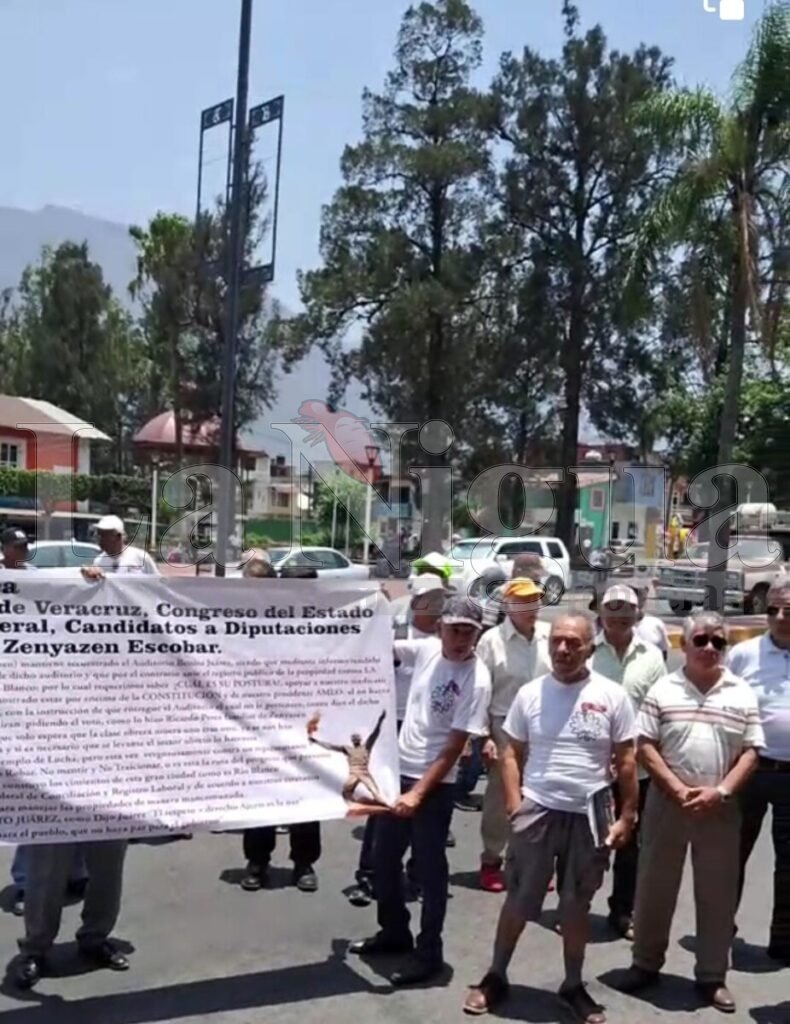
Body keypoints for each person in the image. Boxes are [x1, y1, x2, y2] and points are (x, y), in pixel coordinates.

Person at [464, 614, 637, 1022]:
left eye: (573, 643)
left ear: (589, 650)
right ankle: (496, 976)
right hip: (538, 810)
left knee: (576, 906)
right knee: (520, 900)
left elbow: (627, 760)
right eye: (557, 641)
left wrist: (627, 815)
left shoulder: (612, 696)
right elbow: (510, 753)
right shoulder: (530, 694)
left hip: (589, 816)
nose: (563, 650)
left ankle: (573, 985)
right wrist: (513, 805)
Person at [618, 612, 764, 1013]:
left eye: (719, 642)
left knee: (717, 893)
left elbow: (752, 751)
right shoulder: (663, 689)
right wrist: (679, 789)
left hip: (720, 806)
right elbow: (644, 744)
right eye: (702, 640)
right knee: (654, 887)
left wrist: (720, 791)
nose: (710, 648)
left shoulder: (741, 692)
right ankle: (645, 965)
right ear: (684, 644)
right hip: (669, 802)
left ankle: (712, 976)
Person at [350, 597, 490, 986]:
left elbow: (454, 747)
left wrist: (418, 794)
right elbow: (381, 648)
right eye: (455, 628)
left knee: (429, 870)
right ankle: (394, 932)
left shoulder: (477, 679)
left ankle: (429, 953)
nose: (462, 638)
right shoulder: (427, 650)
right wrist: (362, 614)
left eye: (470, 631)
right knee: (383, 859)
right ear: (440, 627)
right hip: (397, 773)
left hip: (434, 783)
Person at [350, 584, 445, 907]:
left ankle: (416, 877)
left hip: (426, 730)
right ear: (418, 603)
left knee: (423, 809)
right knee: (382, 804)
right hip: (388, 726)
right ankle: (368, 876)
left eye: (443, 600)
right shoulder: (396, 632)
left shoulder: (444, 643)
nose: (439, 606)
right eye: (434, 600)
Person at [238, 554, 325, 894]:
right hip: (261, 720)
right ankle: (257, 861)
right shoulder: (256, 620)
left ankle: (304, 862)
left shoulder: (325, 623)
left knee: (306, 792)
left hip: (305, 723)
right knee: (262, 793)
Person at [591, 585, 665, 938]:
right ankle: (573, 905)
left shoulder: (652, 656)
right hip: (590, 766)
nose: (619, 618)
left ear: (638, 615)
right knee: (584, 843)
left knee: (631, 844)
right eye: (612, 610)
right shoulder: (586, 652)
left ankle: (623, 911)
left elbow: (658, 710)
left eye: (626, 612)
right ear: (601, 614)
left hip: (637, 768)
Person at [475, 577, 551, 892]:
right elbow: (479, 691)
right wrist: (484, 736)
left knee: (542, 794)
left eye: (534, 600)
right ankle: (492, 859)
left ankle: (535, 862)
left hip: (545, 723)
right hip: (503, 724)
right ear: (508, 605)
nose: (530, 607)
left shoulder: (549, 635)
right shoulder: (491, 641)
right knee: (499, 796)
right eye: (522, 601)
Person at [728, 581, 790, 964]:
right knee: (730, 856)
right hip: (747, 770)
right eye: (773, 610)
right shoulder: (742, 655)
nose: (781, 617)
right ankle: (720, 930)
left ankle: (783, 938)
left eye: (788, 610)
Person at [84, 515, 158, 577]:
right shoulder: (99, 562)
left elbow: (158, 584)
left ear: (118, 536)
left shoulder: (141, 557)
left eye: (105, 535)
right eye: (99, 534)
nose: (100, 539)